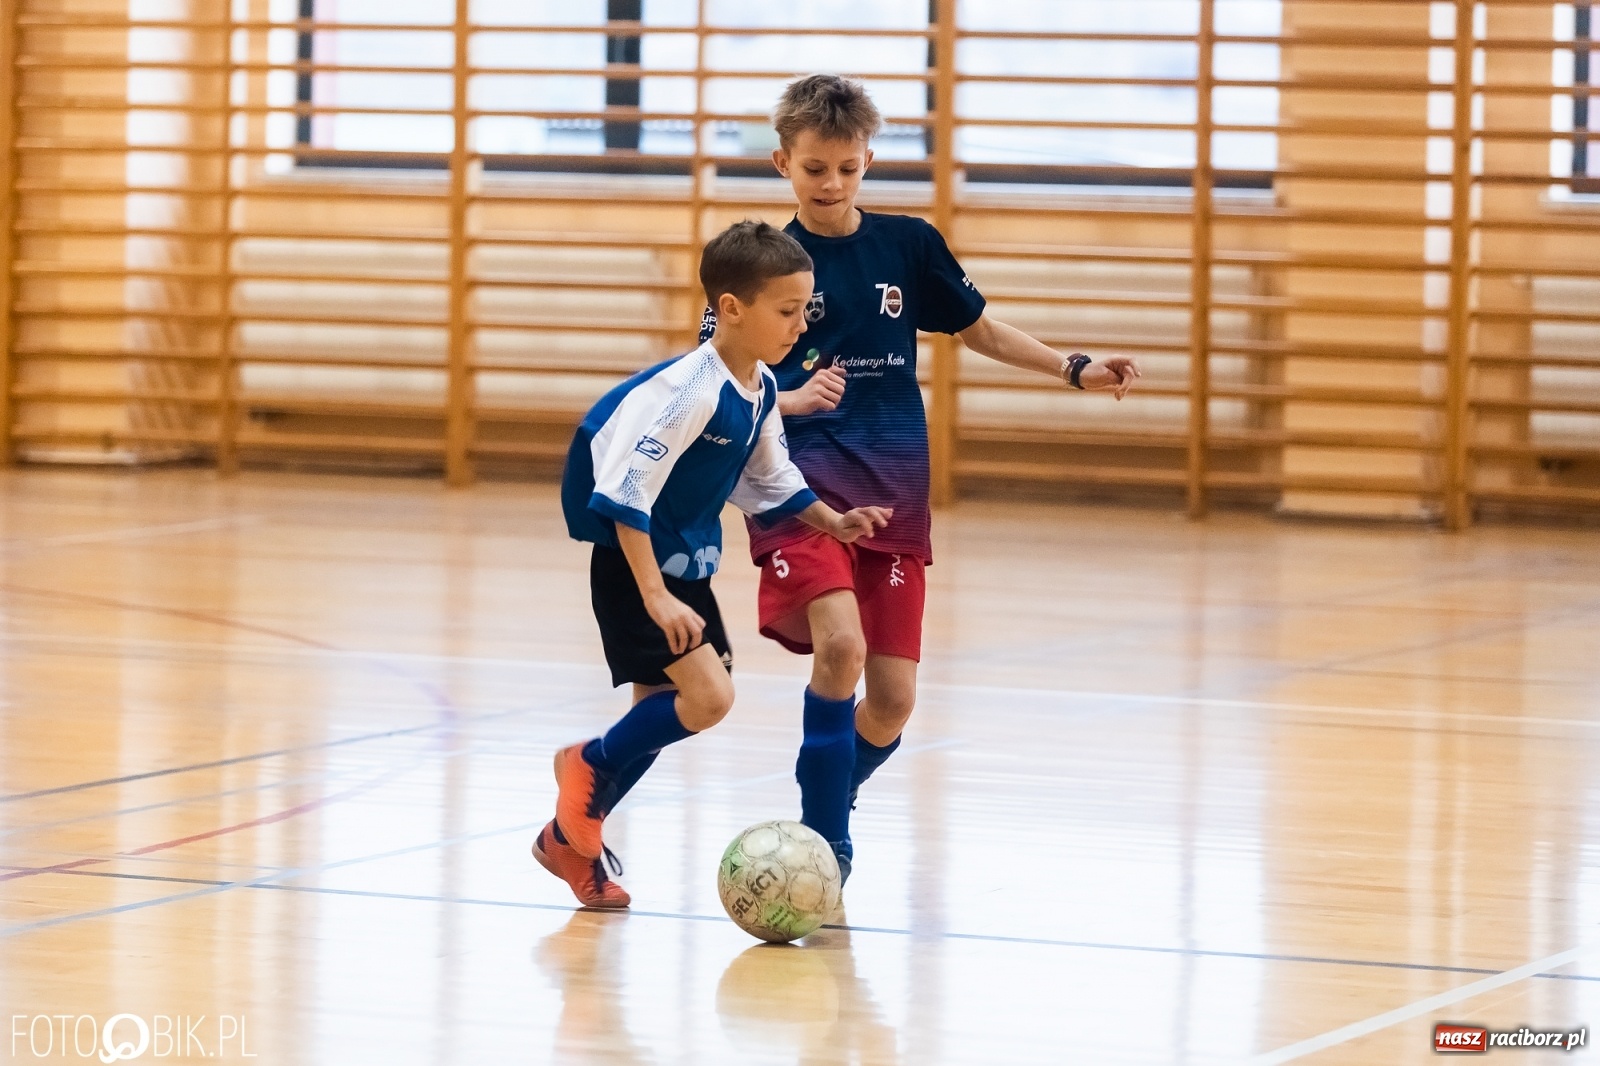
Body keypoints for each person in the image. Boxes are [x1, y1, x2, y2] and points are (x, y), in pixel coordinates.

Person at [697, 75, 1143, 883]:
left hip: (893, 491)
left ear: (868, 160)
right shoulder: (762, 262)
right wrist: (791, 399)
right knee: (840, 648)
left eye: (846, 168)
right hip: (800, 489)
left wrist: (1071, 368)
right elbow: (718, 377)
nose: (830, 186)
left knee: (893, 700)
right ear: (781, 164)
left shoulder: (908, 245)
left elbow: (980, 330)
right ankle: (825, 845)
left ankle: (824, 792)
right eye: (813, 169)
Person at [535, 219, 893, 908]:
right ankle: (583, 765)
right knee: (708, 698)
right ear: (732, 308)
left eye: (803, 310)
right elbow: (623, 495)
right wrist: (656, 596)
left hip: (682, 565)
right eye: (786, 311)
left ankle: (567, 841)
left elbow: (770, 479)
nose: (799, 326)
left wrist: (832, 520)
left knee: (657, 712)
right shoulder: (689, 392)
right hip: (635, 563)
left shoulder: (756, 388)